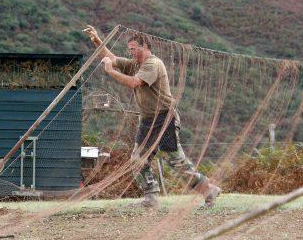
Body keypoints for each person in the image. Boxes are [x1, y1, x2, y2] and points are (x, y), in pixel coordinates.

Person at [83, 25, 221, 209]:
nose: (131, 53)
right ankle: (151, 198)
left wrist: (110, 71)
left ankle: (209, 190)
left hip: (164, 119)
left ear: (144, 47)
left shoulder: (152, 64)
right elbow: (113, 59)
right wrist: (97, 41)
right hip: (148, 120)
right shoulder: (136, 64)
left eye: (134, 49)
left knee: (176, 162)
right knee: (138, 160)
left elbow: (134, 82)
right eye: (129, 49)